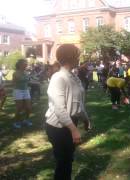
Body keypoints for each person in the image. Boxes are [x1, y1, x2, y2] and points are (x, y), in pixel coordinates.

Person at [45, 44, 91, 180]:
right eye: (77, 55)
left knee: (68, 159)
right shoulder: (58, 77)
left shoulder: (73, 76)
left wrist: (86, 119)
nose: (79, 58)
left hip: (71, 122)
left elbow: (79, 104)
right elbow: (59, 109)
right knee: (63, 161)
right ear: (70, 57)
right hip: (58, 126)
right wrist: (73, 130)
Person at [12, 59, 32, 128]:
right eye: (25, 64)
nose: (26, 65)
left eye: (26, 64)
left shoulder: (26, 72)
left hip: (26, 91)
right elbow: (17, 81)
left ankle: (26, 120)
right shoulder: (15, 73)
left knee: (29, 108)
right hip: (18, 91)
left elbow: (28, 81)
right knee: (19, 108)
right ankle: (16, 122)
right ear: (20, 65)